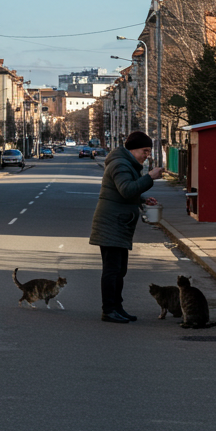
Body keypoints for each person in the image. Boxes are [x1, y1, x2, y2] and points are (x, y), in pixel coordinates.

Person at [88, 131, 165, 323]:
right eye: (145, 151)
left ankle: (117, 307)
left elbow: (126, 192)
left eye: (148, 151)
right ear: (133, 149)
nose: (147, 155)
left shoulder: (127, 164)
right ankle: (109, 310)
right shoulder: (120, 165)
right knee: (112, 270)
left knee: (120, 270)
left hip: (119, 224)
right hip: (111, 224)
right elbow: (126, 189)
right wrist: (149, 177)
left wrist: (143, 199)